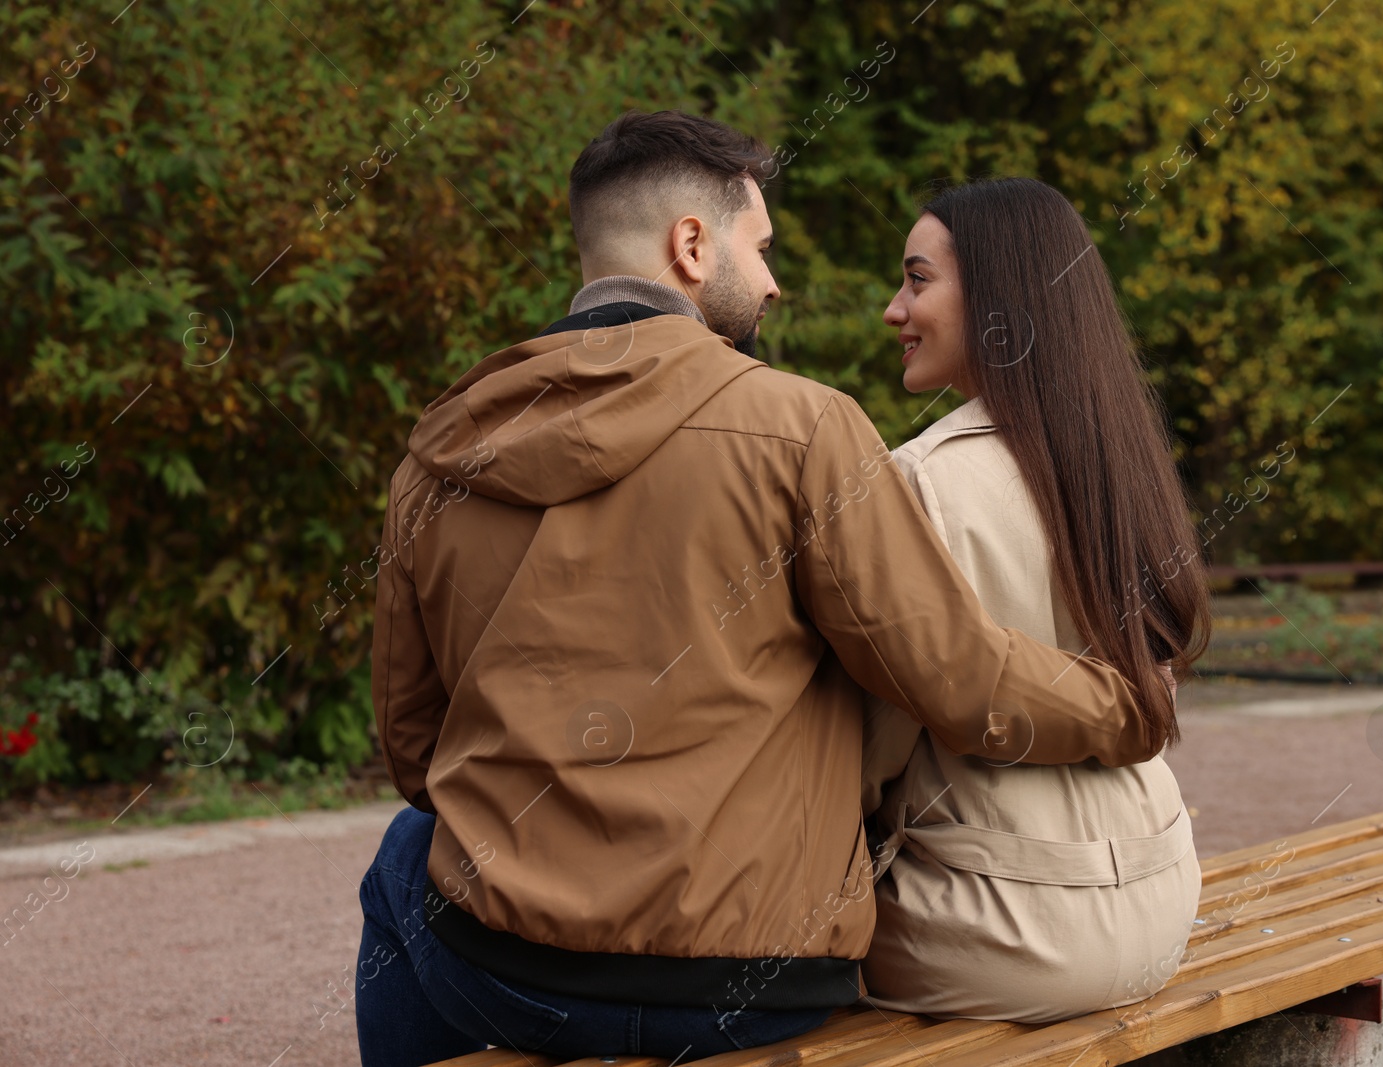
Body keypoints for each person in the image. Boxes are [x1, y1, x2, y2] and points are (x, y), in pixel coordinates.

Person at [357, 113, 1164, 1066]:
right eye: (762, 244)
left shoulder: (441, 451)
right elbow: (956, 674)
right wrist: (1128, 707)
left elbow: (414, 745)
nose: (775, 279)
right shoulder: (804, 429)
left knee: (407, 857)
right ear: (691, 246)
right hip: (753, 982)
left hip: (511, 967)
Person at [860, 177, 1211, 1024]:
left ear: (997, 299)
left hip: (999, 926)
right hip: (1161, 899)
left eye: (916, 279)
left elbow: (880, 737)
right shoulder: (1118, 457)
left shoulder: (923, 479)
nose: (892, 309)